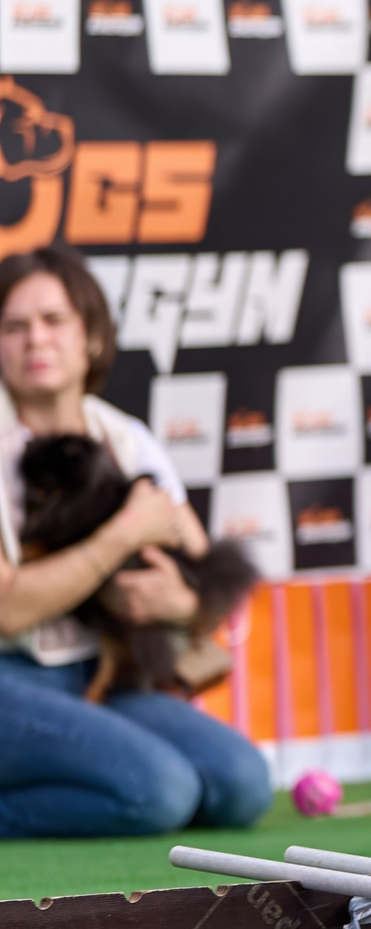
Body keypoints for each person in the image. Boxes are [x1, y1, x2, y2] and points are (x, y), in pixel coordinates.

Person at [0, 248, 271, 836]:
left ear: (91, 336)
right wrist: (123, 534)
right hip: (8, 674)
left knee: (244, 784)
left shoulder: (126, 439)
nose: (34, 340)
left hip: (101, 674)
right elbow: (7, 609)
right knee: (160, 791)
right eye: (14, 326)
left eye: (54, 320)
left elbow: (209, 582)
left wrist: (179, 604)